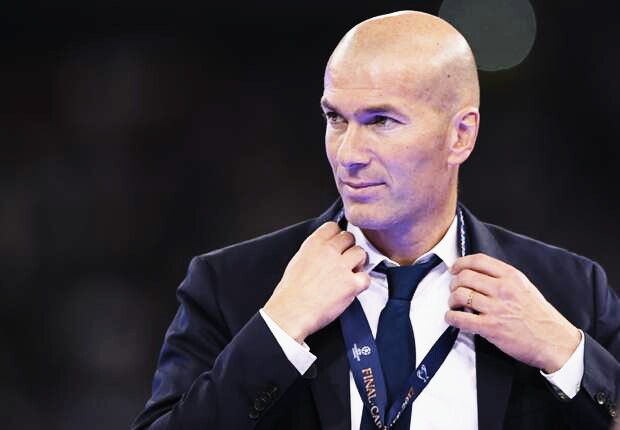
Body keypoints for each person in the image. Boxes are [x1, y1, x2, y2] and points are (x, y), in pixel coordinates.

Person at [131, 10, 620, 430]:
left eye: (381, 121)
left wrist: (566, 354)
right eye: (336, 119)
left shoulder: (569, 291)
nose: (348, 154)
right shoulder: (233, 285)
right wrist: (278, 330)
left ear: (460, 135)